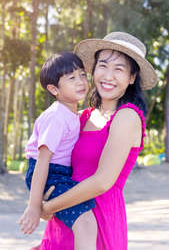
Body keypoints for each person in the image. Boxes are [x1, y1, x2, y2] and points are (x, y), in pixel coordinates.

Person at [38, 32, 157, 249]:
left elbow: (102, 181)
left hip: (99, 222)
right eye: (103, 65)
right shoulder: (80, 117)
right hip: (66, 220)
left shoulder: (127, 117)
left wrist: (48, 207)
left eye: (119, 69)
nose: (108, 76)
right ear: (93, 69)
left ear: (132, 78)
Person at [18, 52, 98, 250]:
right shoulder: (56, 117)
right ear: (54, 89)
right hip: (50, 174)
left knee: (78, 224)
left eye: (82, 75)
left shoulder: (70, 113)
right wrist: (34, 206)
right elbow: (42, 161)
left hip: (60, 173)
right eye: (71, 78)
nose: (80, 82)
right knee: (86, 223)